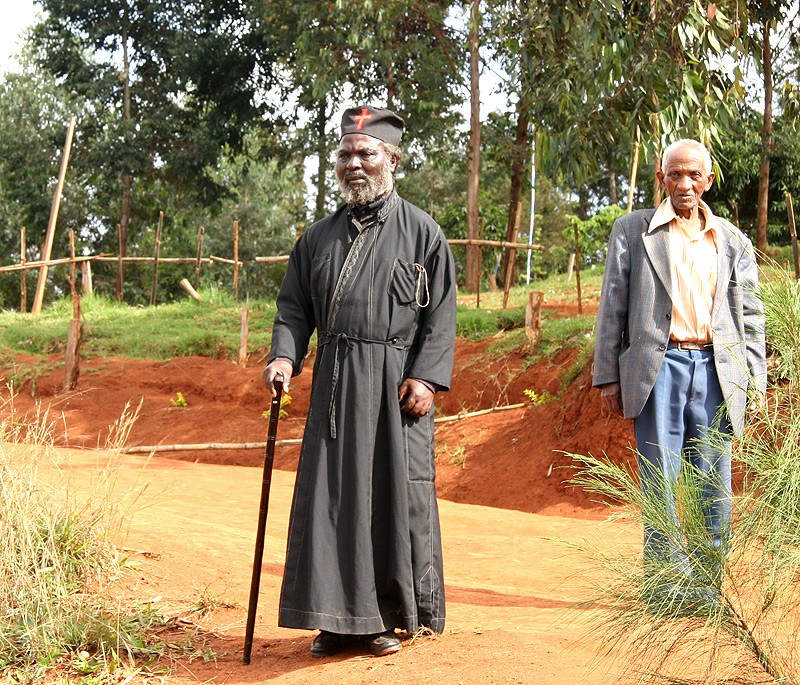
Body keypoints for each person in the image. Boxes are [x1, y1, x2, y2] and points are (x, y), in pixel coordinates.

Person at [262, 106, 457, 658]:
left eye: (365, 153)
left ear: (391, 160)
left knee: (391, 499)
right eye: (345, 154)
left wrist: (425, 376)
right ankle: (335, 620)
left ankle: (388, 617)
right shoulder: (317, 238)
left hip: (398, 390)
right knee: (334, 500)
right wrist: (284, 357)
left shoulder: (423, 232)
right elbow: (293, 310)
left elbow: (441, 315)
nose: (354, 164)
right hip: (335, 384)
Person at [593, 139, 766, 599]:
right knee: (661, 481)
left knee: (714, 481)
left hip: (716, 370)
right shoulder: (634, 230)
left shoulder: (731, 239)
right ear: (661, 179)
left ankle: (710, 589)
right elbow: (612, 304)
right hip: (658, 367)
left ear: (709, 180)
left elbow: (750, 314)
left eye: (694, 175)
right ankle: (666, 588)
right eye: (675, 175)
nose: (684, 184)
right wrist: (607, 374)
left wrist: (754, 379)